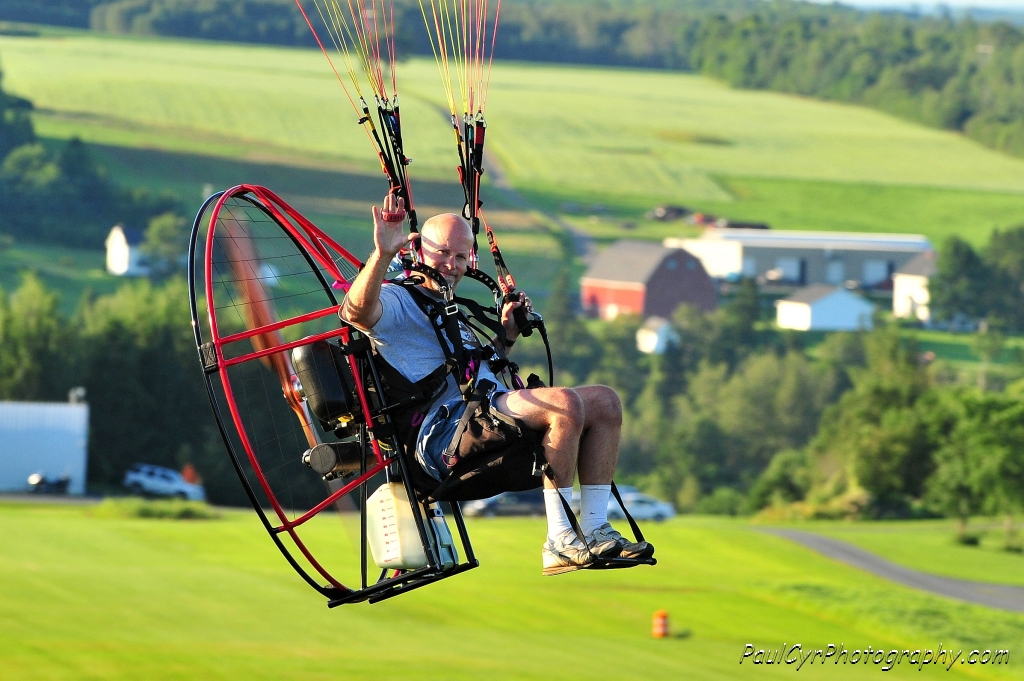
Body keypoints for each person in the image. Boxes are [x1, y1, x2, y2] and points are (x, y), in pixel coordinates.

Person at [341, 193, 653, 575]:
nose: (452, 266)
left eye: (460, 257)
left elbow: (474, 372)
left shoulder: (450, 311)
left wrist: (505, 334)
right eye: (442, 254)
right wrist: (383, 254)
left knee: (606, 402)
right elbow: (355, 312)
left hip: (480, 416)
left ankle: (593, 528)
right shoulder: (398, 301)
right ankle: (560, 541)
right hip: (441, 438)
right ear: (419, 250)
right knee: (564, 403)